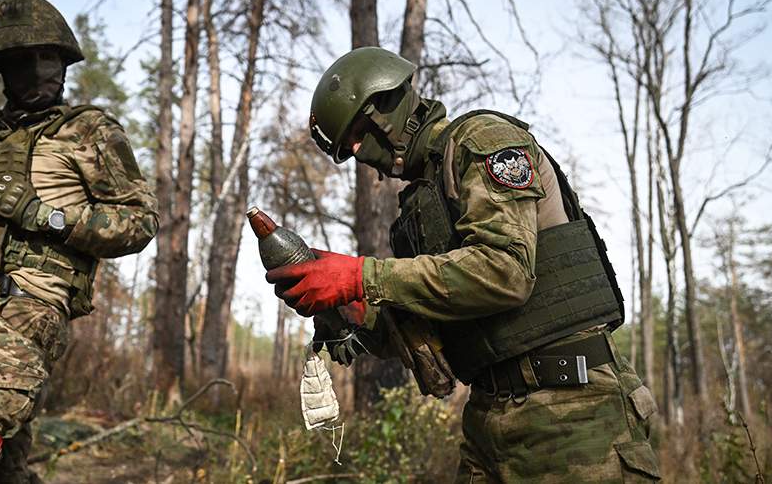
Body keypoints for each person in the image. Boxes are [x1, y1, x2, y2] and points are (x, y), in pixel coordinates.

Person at [266, 47, 661, 483]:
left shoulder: (482, 141)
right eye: (347, 148)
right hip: (490, 418)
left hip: (574, 412)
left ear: (387, 105)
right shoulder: (421, 210)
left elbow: (504, 272)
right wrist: (353, 308)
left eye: (358, 133)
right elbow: (431, 332)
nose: (358, 152)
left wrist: (361, 276)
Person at [0, 0, 158, 484]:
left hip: (25, 310)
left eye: (54, 60)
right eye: (30, 61)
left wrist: (42, 214)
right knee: (3, 470)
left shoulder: (88, 130)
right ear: (4, 69)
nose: (47, 73)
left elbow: (139, 222)